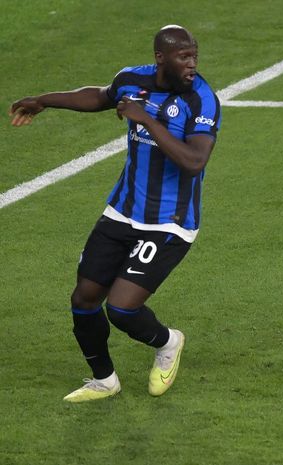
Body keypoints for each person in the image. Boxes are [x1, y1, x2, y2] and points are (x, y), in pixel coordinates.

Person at [8, 25, 221, 402]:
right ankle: (104, 379)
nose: (192, 64)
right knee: (84, 298)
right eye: (184, 57)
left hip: (170, 223)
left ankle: (168, 342)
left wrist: (147, 120)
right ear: (161, 57)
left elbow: (194, 160)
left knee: (121, 309)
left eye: (195, 56)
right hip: (122, 212)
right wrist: (45, 100)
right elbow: (100, 96)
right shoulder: (132, 79)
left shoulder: (201, 100)